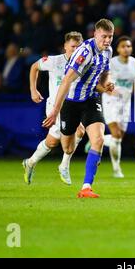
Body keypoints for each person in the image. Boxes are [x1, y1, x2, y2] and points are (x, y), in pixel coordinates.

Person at [42, 19, 115, 198]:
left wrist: (107, 83)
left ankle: (86, 187)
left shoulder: (108, 51)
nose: (107, 40)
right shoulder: (84, 53)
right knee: (67, 148)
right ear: (95, 34)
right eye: (104, 36)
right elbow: (66, 80)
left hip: (90, 98)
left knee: (98, 140)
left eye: (110, 37)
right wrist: (55, 110)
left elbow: (105, 71)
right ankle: (59, 162)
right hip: (71, 102)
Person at [22, 31, 85, 185]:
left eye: (78, 47)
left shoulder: (84, 64)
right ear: (65, 47)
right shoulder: (54, 61)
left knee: (52, 142)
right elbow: (34, 67)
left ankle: (30, 162)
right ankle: (64, 165)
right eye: (72, 47)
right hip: (55, 107)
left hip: (72, 105)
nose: (75, 50)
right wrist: (33, 89)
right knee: (78, 131)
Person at [101, 36, 135, 178]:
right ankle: (117, 169)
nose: (126, 49)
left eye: (129, 46)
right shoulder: (111, 63)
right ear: (117, 49)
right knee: (116, 134)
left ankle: (98, 140)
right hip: (111, 100)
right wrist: (108, 87)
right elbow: (103, 78)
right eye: (123, 46)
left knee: (118, 138)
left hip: (125, 102)